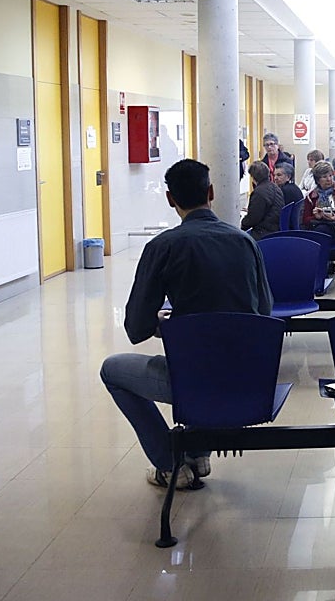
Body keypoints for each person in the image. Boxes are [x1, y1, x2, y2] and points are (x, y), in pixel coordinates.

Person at [99, 159, 272, 490]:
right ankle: (198, 451)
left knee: (113, 371)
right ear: (211, 192)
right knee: (212, 352)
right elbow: (264, 312)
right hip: (246, 376)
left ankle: (169, 463)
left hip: (193, 378)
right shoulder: (245, 242)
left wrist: (164, 325)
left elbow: (136, 327)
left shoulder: (163, 246)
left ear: (169, 198)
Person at [301, 160, 335, 243]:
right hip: (319, 227)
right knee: (321, 231)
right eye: (324, 177)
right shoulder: (311, 196)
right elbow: (305, 220)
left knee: (321, 233)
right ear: (318, 180)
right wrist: (317, 217)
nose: (329, 179)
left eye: (330, 175)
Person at [240, 160, 283, 239]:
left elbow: (253, 219)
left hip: (264, 232)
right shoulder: (275, 187)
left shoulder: (259, 193)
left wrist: (241, 225)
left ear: (253, 176)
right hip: (275, 228)